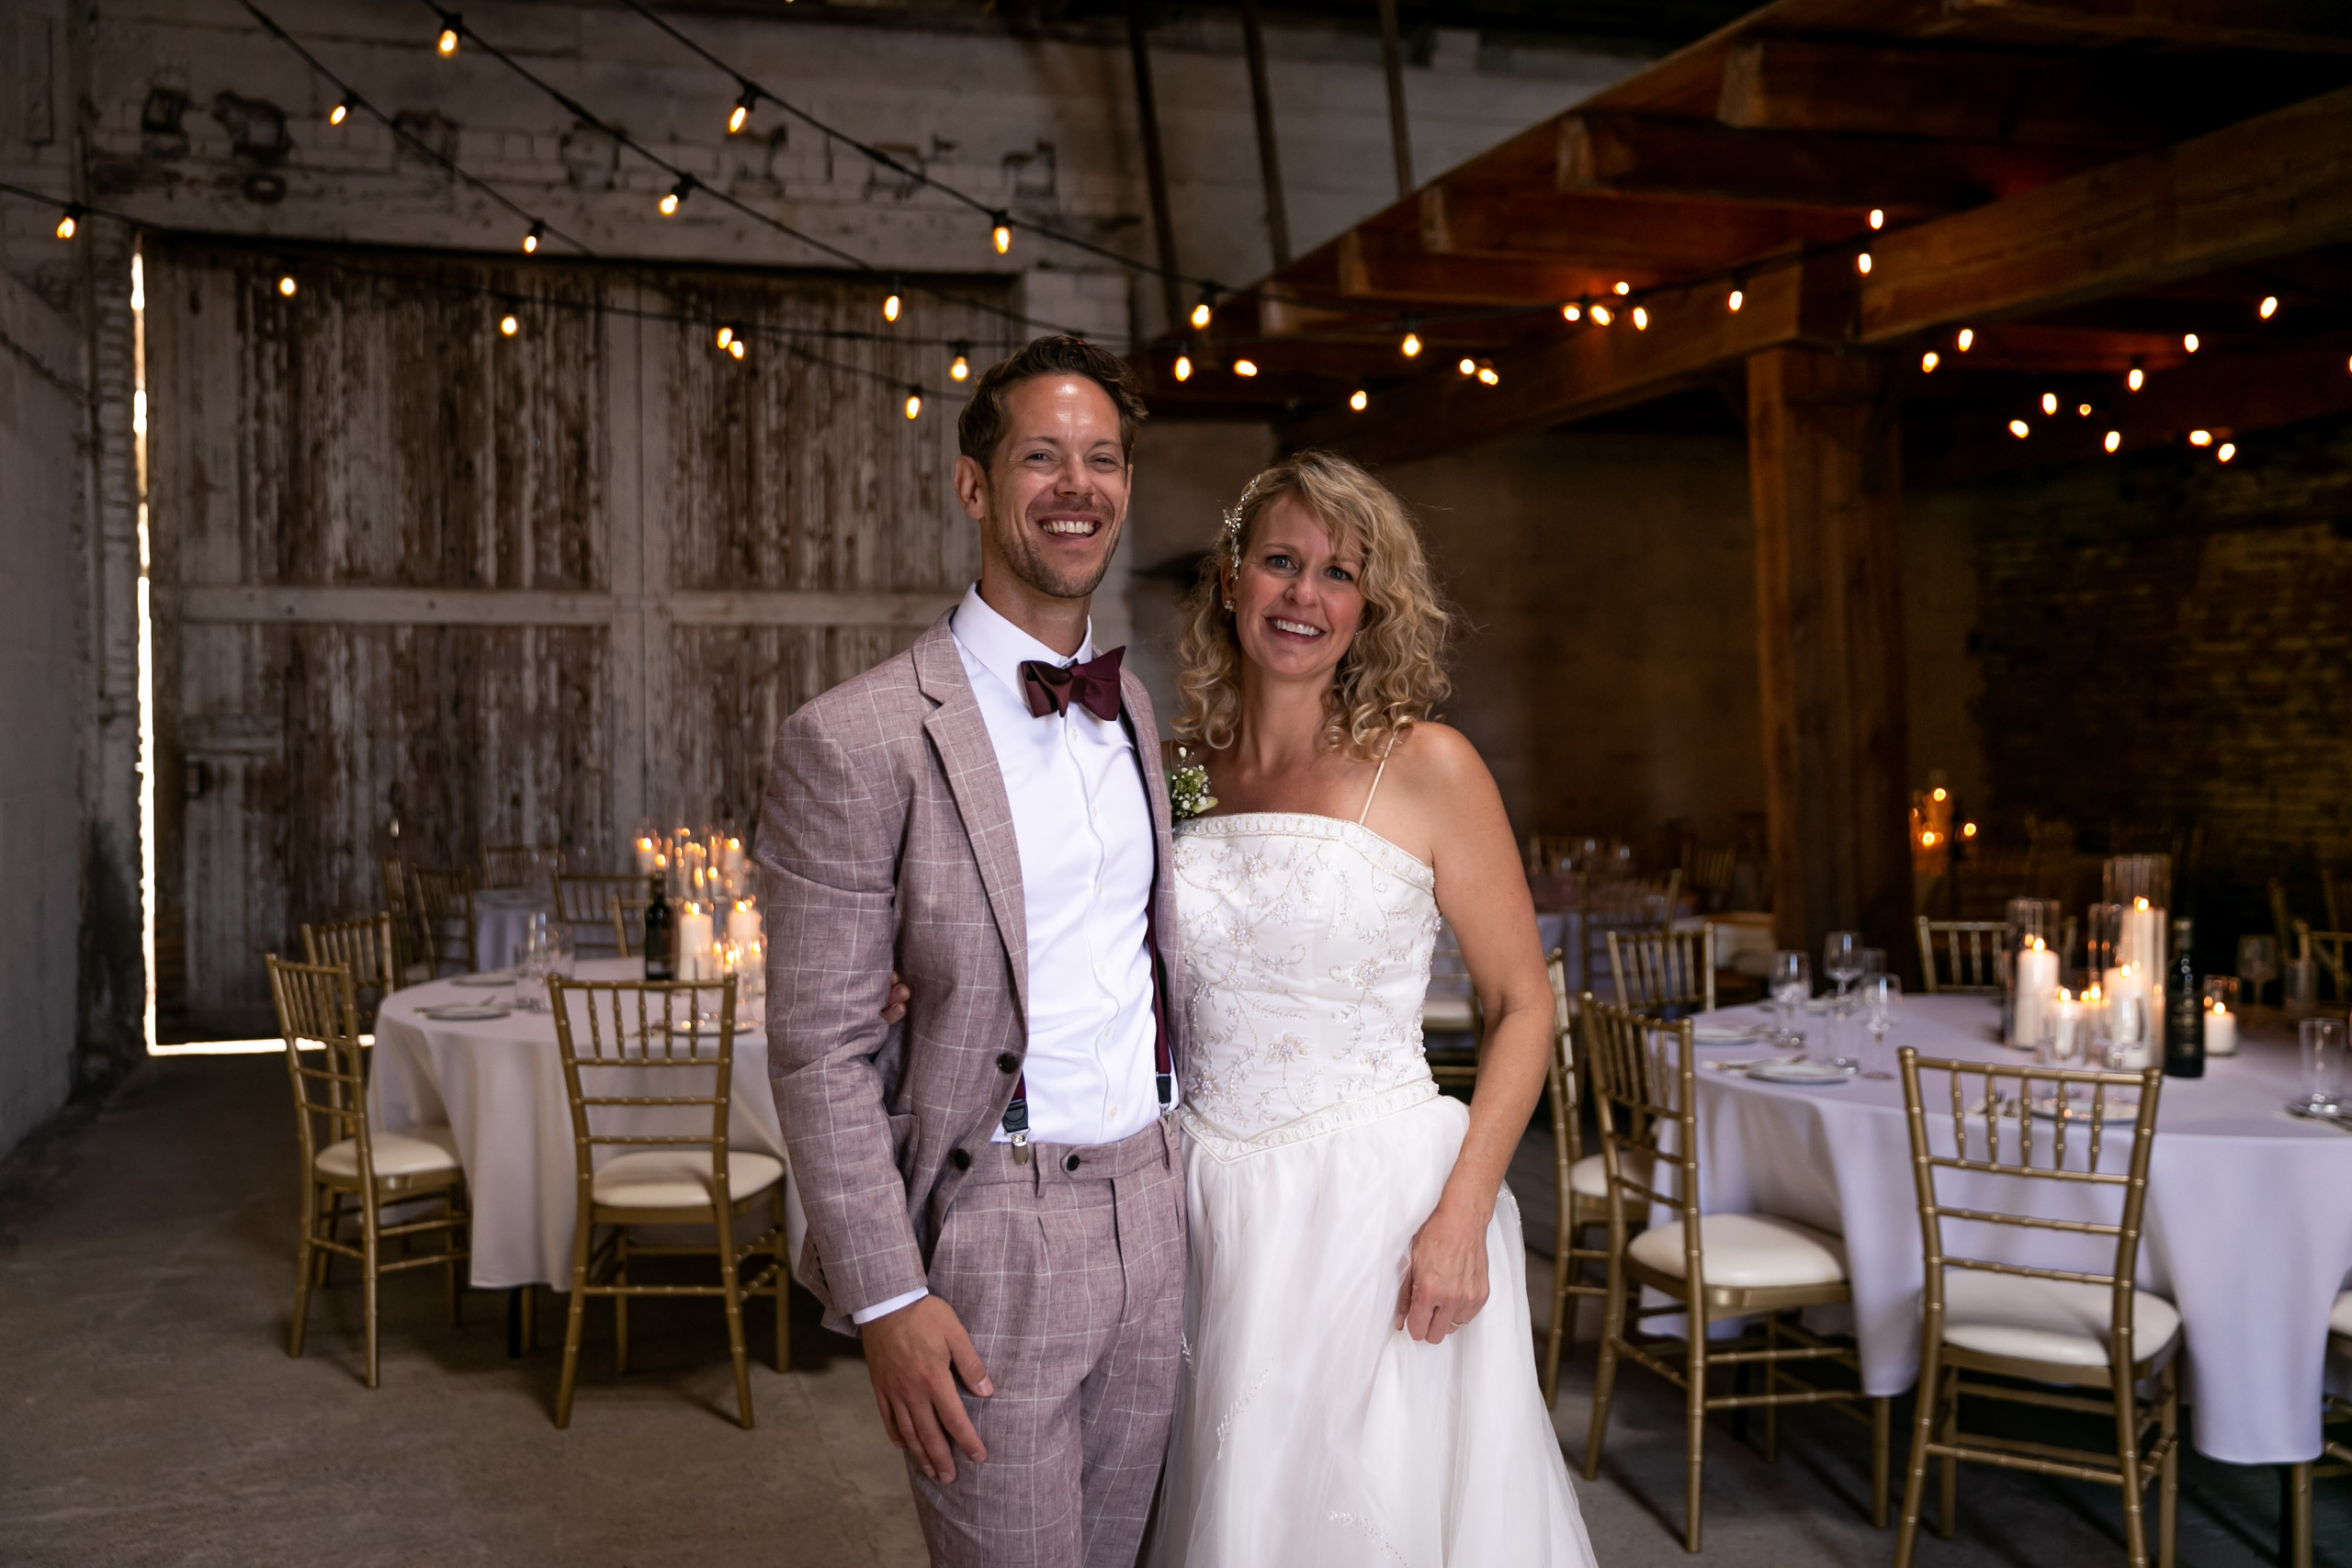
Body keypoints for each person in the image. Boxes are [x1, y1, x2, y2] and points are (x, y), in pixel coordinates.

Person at [758, 335, 1185, 1568]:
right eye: (1041, 457)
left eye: (1102, 459)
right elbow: (819, 1045)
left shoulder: (1132, 704)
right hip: (993, 1225)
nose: (1076, 486)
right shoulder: (855, 736)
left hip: (1156, 1208)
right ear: (972, 486)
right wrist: (888, 1295)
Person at [1148, 451, 1598, 1565]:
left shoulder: (1429, 766)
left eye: (1338, 574)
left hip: (1376, 1210)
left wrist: (1462, 1215)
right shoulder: (1177, 772)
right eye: (1280, 562)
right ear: (1230, 578)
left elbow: (1522, 1004)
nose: (1303, 595)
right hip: (1203, 1202)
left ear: (1368, 606)